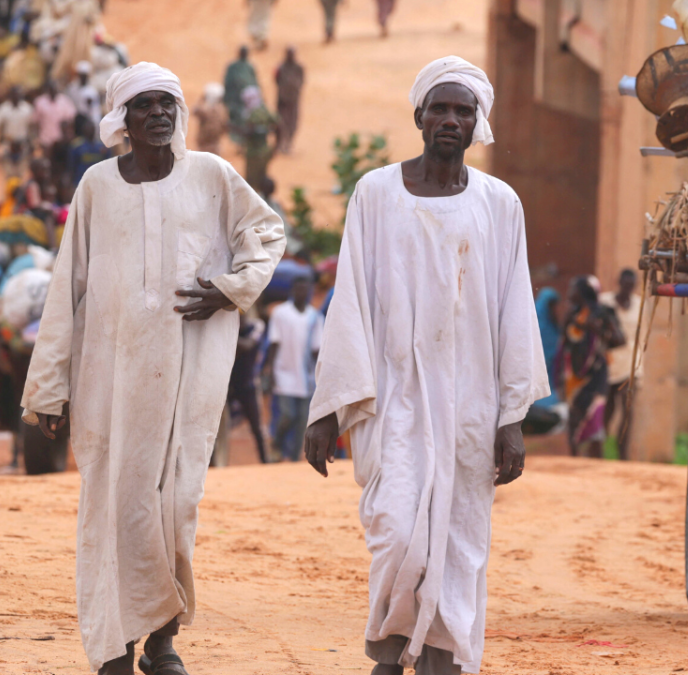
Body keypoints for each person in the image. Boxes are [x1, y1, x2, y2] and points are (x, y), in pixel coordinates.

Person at [19, 62, 285, 675]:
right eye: (145, 106)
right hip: (109, 377)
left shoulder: (212, 176)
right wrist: (48, 390)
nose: (160, 114)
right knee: (115, 502)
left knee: (174, 503)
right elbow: (67, 288)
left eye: (169, 102)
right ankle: (115, 641)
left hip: (188, 377)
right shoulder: (95, 186)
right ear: (123, 120)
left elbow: (266, 232)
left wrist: (231, 289)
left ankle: (162, 640)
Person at [302, 56, 548, 675]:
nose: (449, 119)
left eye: (463, 110)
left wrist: (511, 416)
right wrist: (329, 410)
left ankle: (441, 661)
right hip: (393, 396)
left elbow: (514, 309)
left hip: (471, 403)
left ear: (478, 122)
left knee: (461, 543)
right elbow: (350, 300)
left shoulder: (501, 203)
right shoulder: (376, 193)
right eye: (438, 107)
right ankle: (389, 650)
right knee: (393, 530)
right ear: (417, 115)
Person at [558, 276, 624, 459]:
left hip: (596, 372)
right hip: (573, 375)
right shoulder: (572, 315)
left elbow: (620, 339)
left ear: (583, 292)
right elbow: (564, 343)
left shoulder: (604, 313)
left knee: (593, 415)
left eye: (574, 289)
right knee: (574, 416)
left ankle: (594, 464)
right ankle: (575, 461)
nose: (570, 293)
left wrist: (597, 332)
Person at [264, 276, 323, 462]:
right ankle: (277, 443)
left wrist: (322, 375)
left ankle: (295, 459)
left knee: (302, 422)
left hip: (306, 377)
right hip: (284, 373)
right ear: (292, 290)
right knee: (287, 415)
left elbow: (316, 350)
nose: (302, 293)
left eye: (305, 289)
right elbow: (273, 343)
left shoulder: (315, 317)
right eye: (298, 289)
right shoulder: (280, 313)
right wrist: (270, 371)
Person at [599, 269, 641, 460]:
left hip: (631, 365)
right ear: (619, 282)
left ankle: (623, 453)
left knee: (628, 411)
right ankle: (599, 449)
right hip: (609, 363)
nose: (627, 287)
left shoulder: (640, 305)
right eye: (625, 283)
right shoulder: (604, 301)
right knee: (607, 408)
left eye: (631, 284)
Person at [229, 310, 269, 463]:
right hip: (229, 386)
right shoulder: (231, 328)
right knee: (219, 426)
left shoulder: (256, 326)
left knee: (257, 427)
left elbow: (248, 345)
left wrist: (226, 336)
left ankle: (266, 462)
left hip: (249, 385)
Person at [238, 86, 279, 195]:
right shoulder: (264, 110)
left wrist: (237, 130)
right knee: (262, 178)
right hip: (265, 150)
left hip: (254, 153)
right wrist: (277, 146)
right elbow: (278, 124)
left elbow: (250, 132)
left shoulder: (253, 113)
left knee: (252, 182)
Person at [0, 86, 35, 170]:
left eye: (18, 95)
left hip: (22, 143)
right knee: (7, 169)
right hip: (8, 143)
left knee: (22, 168)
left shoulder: (27, 109)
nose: (16, 97)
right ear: (10, 96)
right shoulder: (4, 108)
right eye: (14, 95)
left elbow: (34, 123)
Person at [32, 80, 78, 161]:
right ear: (47, 90)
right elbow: (35, 121)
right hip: (45, 140)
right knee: (46, 162)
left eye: (55, 88)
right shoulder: (40, 102)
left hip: (61, 141)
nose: (53, 90)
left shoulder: (65, 101)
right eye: (51, 89)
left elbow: (71, 120)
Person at [223, 46, 258, 143]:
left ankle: (243, 143)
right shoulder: (232, 67)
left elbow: (254, 83)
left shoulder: (250, 67)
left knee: (246, 120)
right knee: (234, 119)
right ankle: (236, 141)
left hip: (247, 101)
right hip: (234, 99)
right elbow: (227, 82)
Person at [274, 47, 304, 155]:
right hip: (282, 100)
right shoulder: (281, 67)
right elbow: (276, 80)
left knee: (292, 122)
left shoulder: (299, 68)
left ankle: (288, 143)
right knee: (280, 122)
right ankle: (280, 143)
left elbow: (301, 81)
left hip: (294, 100)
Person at [67, 118, 110, 186]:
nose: (90, 130)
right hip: (80, 181)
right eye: (88, 128)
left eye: (92, 128)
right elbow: (71, 166)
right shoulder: (77, 146)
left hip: (97, 181)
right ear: (84, 130)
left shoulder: (102, 147)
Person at [192, 83, 227, 155]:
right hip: (215, 144)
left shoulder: (206, 110)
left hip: (205, 144)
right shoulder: (222, 109)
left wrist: (202, 99)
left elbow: (194, 110)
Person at [67, 60, 102, 124]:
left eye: (84, 75)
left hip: (87, 121)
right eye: (81, 75)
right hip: (74, 119)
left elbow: (95, 112)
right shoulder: (72, 88)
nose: (83, 77)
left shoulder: (92, 91)